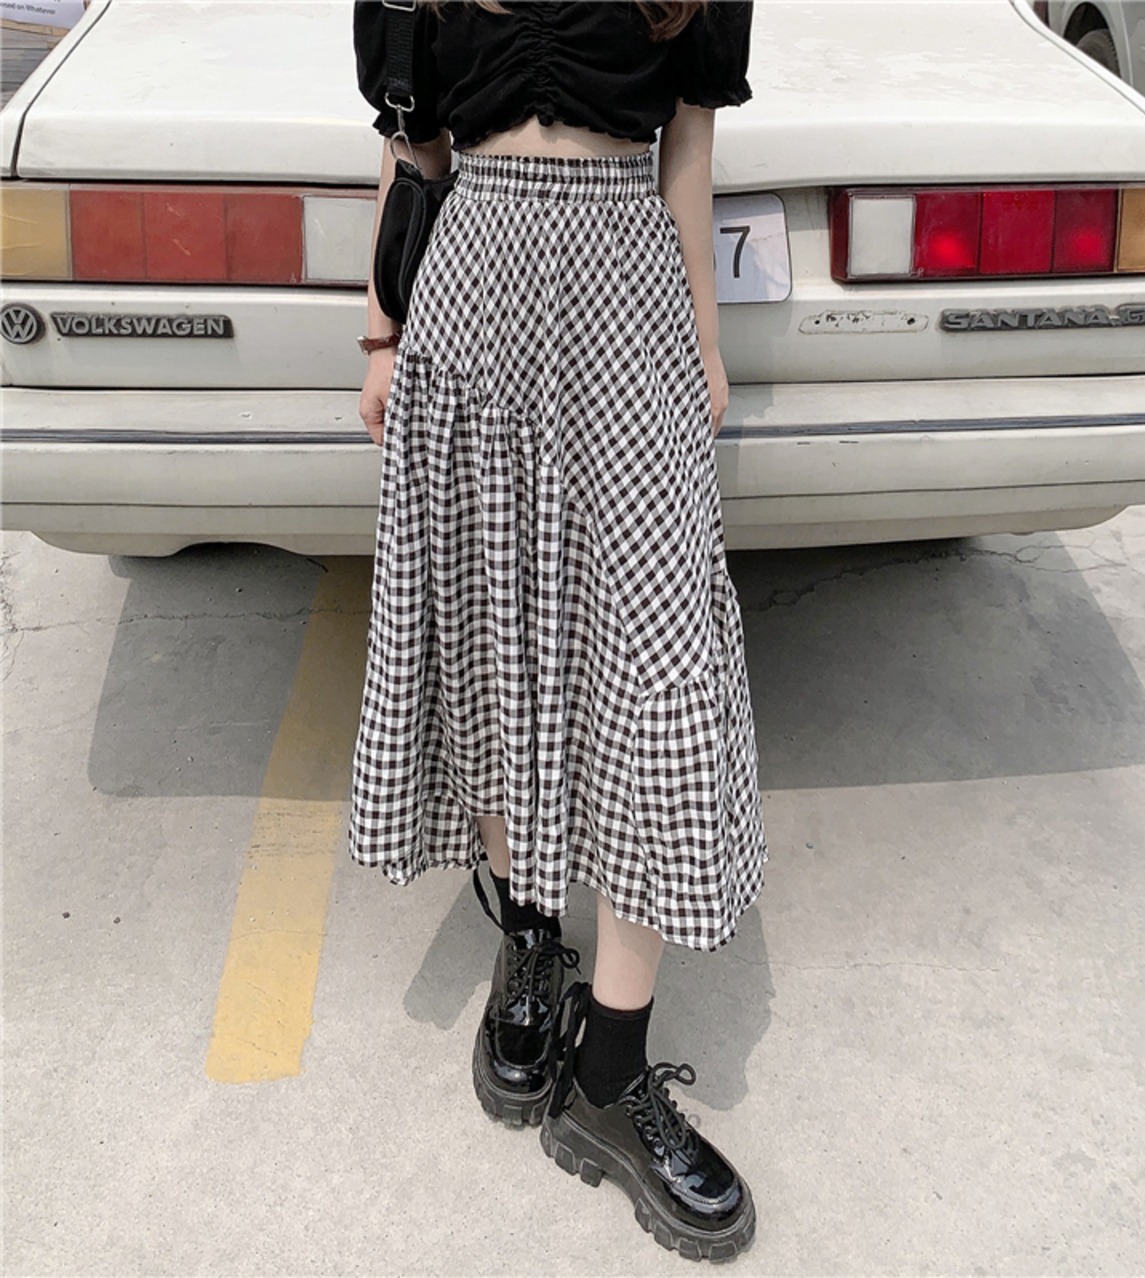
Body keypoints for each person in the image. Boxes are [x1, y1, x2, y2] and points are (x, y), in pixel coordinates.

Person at [349, 0, 769, 1261]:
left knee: (661, 673)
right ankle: (529, 943)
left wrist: (701, 342)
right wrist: (380, 332)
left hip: (625, 292)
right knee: (492, 637)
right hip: (468, 290)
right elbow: (411, 149)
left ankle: (610, 1070)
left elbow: (686, 150)